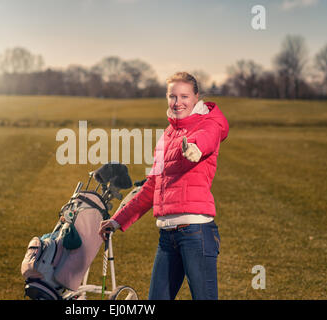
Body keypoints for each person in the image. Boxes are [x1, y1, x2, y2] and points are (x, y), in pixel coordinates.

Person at [98, 71, 229, 300]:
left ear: (196, 97)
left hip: (195, 233)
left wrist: (195, 149)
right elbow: (152, 187)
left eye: (184, 96)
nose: (178, 102)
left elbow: (207, 138)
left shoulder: (209, 123)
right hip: (167, 237)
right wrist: (118, 219)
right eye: (172, 96)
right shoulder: (167, 135)